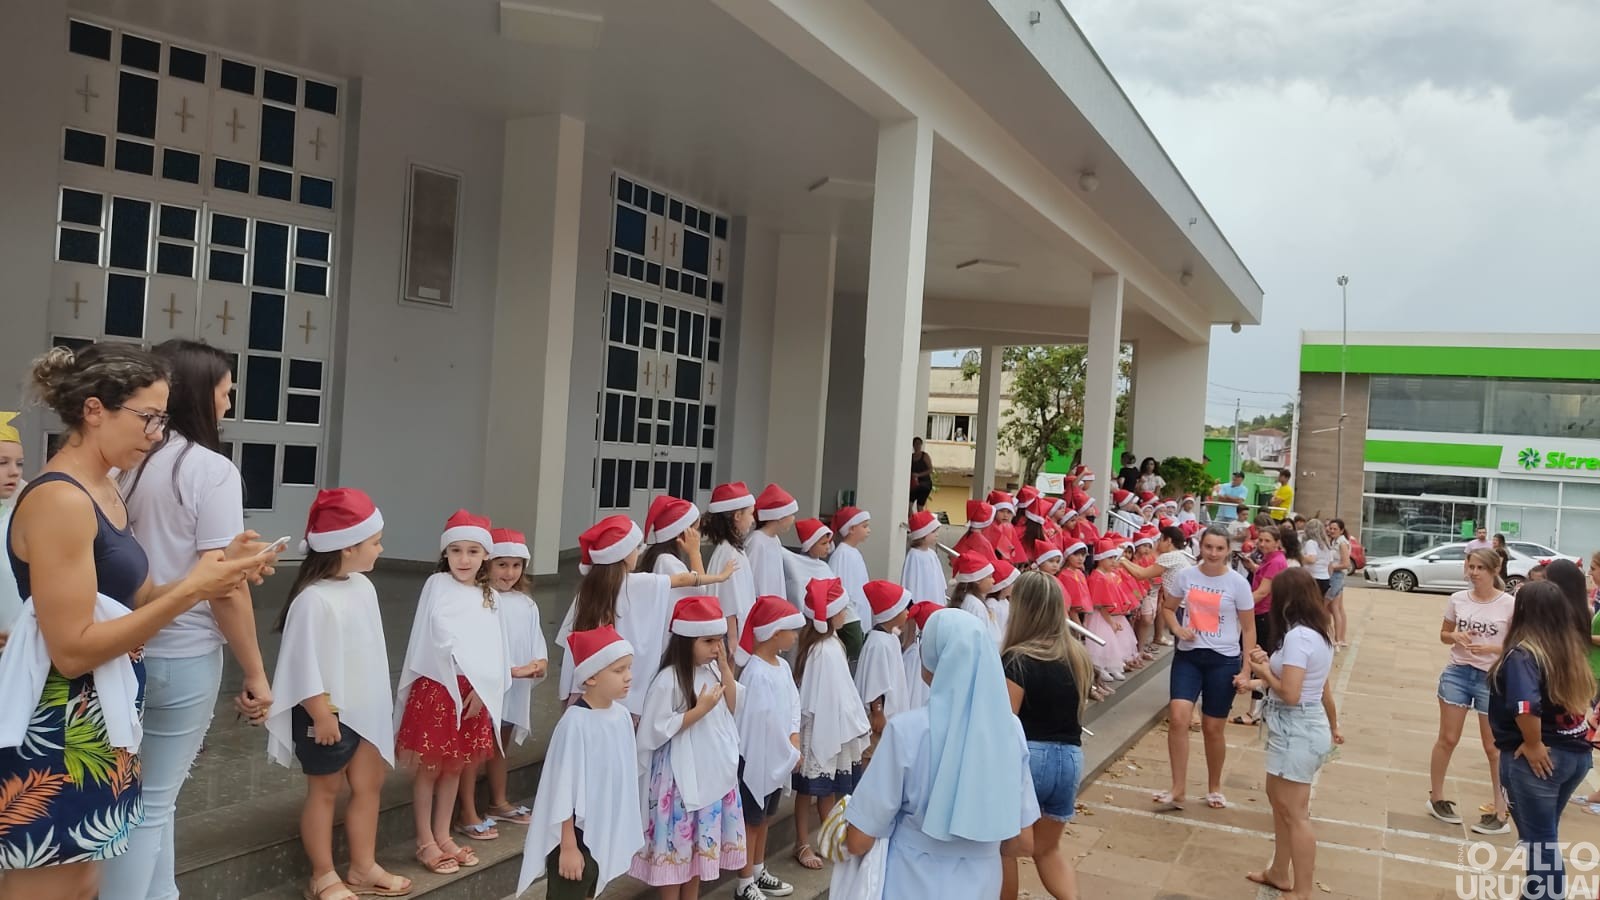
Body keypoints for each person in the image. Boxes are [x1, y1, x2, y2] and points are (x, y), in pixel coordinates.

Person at [0, 344, 269, 900]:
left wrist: (216, 573)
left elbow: (140, 597)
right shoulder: (62, 500)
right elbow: (72, 648)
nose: (156, 433)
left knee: (82, 881)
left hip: (103, 712)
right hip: (61, 720)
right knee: (52, 883)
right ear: (95, 410)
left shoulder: (108, 488)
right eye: (148, 417)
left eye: (163, 419)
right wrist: (194, 587)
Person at [105, 339, 277, 900]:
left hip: (122, 648)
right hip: (181, 652)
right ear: (202, 394)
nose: (230, 402)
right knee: (149, 805)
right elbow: (224, 587)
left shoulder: (122, 466)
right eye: (226, 391)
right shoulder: (209, 470)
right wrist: (255, 673)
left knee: (154, 797)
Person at [266, 489, 409, 900]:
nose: (381, 549)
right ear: (348, 547)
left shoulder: (363, 588)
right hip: (326, 713)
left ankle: (363, 867)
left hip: (365, 710)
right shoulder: (312, 599)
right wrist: (320, 713)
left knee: (369, 787)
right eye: (375, 542)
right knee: (325, 792)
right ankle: (323, 874)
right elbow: (300, 662)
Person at [842, 609, 1039, 898]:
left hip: (909, 881)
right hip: (981, 883)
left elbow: (859, 839)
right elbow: (1022, 842)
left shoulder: (906, 731)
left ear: (934, 659)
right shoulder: (1010, 730)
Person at [393, 511, 510, 871]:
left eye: (473, 551)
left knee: (456, 768)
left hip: (473, 693)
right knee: (429, 768)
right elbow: (432, 635)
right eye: (456, 550)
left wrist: (482, 686)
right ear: (445, 554)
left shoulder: (490, 597)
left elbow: (496, 648)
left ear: (485, 556)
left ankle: (444, 835)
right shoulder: (437, 586)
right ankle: (424, 840)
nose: (464, 559)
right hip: (438, 687)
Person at [558, 515, 734, 715]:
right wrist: (718, 576)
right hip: (619, 684)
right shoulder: (637, 582)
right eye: (635, 548)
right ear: (623, 554)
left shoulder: (589, 587)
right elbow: (684, 580)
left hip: (590, 681)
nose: (638, 553)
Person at [630, 596, 746, 895]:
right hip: (678, 780)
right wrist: (698, 711)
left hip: (711, 771)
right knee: (675, 855)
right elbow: (655, 729)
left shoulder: (713, 672)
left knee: (695, 857)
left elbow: (734, 704)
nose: (715, 647)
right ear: (686, 641)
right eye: (708, 641)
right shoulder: (669, 679)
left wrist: (724, 665)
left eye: (718, 640)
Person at [1487, 581, 1596, 900]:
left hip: (1541, 760)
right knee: (1543, 837)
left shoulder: (1524, 653)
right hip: (1575, 755)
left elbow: (1525, 705)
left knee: (1541, 845)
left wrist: (1533, 743)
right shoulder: (1568, 649)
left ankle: (1547, 895)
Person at [516, 625, 642, 900]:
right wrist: (568, 846)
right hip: (574, 837)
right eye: (619, 670)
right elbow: (562, 790)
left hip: (601, 826)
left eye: (629, 668)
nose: (628, 677)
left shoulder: (621, 717)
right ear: (592, 677)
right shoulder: (574, 723)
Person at [1243, 568, 1342, 899]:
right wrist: (1262, 672)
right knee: (1278, 800)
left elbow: (1291, 693)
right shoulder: (1314, 632)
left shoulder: (1300, 637)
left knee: (1295, 813)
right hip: (1298, 725)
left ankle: (1302, 890)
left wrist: (1260, 672)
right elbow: (1309, 685)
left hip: (1297, 726)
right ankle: (1278, 871)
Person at [1001, 573, 1094, 900]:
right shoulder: (1078, 655)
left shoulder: (1017, 658)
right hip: (1069, 758)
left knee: (1005, 848)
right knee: (1048, 849)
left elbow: (1008, 723)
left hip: (1029, 756)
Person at [1155, 526, 1257, 811]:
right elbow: (1167, 607)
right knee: (1178, 717)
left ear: (1228, 551)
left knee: (1213, 728)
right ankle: (1178, 787)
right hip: (1188, 657)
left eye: (1219, 548)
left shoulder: (1238, 583)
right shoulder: (1186, 576)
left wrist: (1246, 670)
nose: (1213, 553)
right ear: (1200, 546)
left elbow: (1248, 629)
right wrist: (1177, 628)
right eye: (1209, 547)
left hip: (1223, 660)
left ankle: (1214, 786)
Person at [1427, 548, 1514, 834]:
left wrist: (1491, 648)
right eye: (1471, 567)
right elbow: (1443, 634)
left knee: (1493, 747)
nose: (1474, 573)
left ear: (1493, 571)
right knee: (1448, 738)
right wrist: (1455, 636)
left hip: (1491, 676)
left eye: (1480, 568)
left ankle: (1501, 810)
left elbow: (1518, 644)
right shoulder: (1457, 599)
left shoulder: (1509, 605)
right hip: (1457, 672)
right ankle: (1436, 797)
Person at [467, 529, 548, 831]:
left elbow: (536, 644)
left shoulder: (525, 604)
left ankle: (498, 801)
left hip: (513, 688)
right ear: (487, 564)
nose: (510, 573)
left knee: (501, 744)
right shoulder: (480, 600)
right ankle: (466, 810)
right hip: (486, 686)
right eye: (502, 565)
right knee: (476, 747)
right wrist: (507, 670)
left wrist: (538, 663)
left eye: (516, 566)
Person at [791, 578, 871, 873]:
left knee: (826, 791)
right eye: (842, 608)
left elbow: (842, 692)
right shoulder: (822, 650)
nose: (846, 612)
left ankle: (829, 840)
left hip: (834, 728)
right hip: (819, 729)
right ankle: (804, 842)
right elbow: (819, 698)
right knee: (811, 790)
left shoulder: (831, 644)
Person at [733, 597, 804, 900]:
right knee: (752, 821)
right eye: (792, 630)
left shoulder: (782, 667)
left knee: (766, 817)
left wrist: (794, 738)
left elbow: (792, 706)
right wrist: (788, 749)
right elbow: (762, 721)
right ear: (775, 633)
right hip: (758, 759)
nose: (796, 636)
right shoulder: (756, 672)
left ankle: (758, 869)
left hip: (779, 755)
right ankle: (743, 881)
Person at [858, 581, 914, 737]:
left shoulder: (890, 638)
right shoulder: (879, 643)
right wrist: (878, 713)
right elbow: (875, 681)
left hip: (892, 716)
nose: (907, 613)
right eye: (904, 609)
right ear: (892, 613)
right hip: (882, 719)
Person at [705, 482, 759, 642]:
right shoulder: (729, 553)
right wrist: (734, 642)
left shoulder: (731, 550)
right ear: (737, 516)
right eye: (750, 514)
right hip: (730, 637)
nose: (753, 520)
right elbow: (730, 603)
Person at [0, 411, 25, 652]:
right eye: (2, 462)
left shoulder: (19, 518)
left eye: (19, 463)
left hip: (15, 650)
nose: (14, 472)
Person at [747, 484, 798, 599]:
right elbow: (750, 577)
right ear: (779, 516)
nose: (793, 518)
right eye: (791, 514)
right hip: (761, 604)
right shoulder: (756, 541)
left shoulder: (775, 539)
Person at [829, 505, 875, 630]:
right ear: (852, 529)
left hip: (858, 615)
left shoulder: (853, 552)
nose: (868, 530)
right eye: (864, 526)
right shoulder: (842, 554)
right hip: (850, 620)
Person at [949, 553, 1000, 646]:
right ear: (977, 580)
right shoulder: (976, 605)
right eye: (989, 577)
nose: (993, 581)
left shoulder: (967, 600)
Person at [901, 511, 945, 603]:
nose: (937, 534)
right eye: (933, 532)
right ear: (922, 535)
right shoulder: (914, 556)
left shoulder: (932, 554)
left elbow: (939, 579)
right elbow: (911, 582)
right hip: (921, 598)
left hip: (934, 597)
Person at [1325, 519, 1353, 650]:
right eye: (1330, 528)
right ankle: (1340, 638)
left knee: (1327, 607)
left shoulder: (1342, 543)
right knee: (1336, 608)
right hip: (1335, 575)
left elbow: (1346, 564)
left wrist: (1331, 567)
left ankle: (1337, 638)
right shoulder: (1334, 541)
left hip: (1336, 576)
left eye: (1334, 529)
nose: (1331, 531)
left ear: (1341, 530)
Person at [1303, 519, 1334, 598]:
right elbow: (1330, 565)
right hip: (1325, 578)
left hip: (1313, 578)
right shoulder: (1326, 545)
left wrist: (1298, 557)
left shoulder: (1311, 543)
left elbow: (1311, 559)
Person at [909, 438, 934, 513]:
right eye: (916, 444)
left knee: (919, 507)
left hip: (924, 484)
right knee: (909, 506)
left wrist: (918, 475)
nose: (918, 446)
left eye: (919, 444)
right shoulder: (911, 457)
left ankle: (922, 523)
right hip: (914, 485)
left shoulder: (925, 456)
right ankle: (913, 521)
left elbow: (930, 469)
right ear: (913, 445)